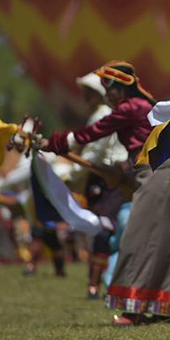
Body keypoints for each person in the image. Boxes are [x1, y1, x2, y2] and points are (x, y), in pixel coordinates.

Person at [42, 62, 170, 327]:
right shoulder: (139, 107)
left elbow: (94, 132)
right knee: (163, 240)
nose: (107, 95)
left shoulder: (131, 108)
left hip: (155, 174)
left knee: (138, 238)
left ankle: (134, 309)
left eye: (109, 89)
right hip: (158, 174)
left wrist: (54, 143)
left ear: (120, 90)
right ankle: (163, 308)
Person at [66, 72, 129, 299]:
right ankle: (101, 283)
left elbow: (94, 152)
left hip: (106, 178)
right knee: (103, 231)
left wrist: (71, 175)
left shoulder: (102, 115)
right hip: (99, 178)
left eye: (89, 91)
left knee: (103, 230)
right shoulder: (97, 114)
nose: (85, 95)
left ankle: (97, 284)